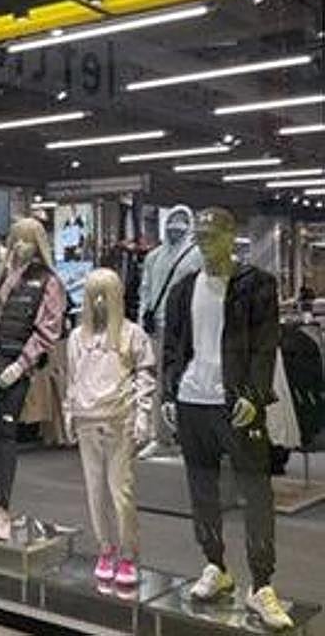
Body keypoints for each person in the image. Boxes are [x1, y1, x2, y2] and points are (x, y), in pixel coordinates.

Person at [162, 207, 291, 630]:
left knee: (256, 493)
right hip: (191, 402)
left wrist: (254, 394)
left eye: (211, 236)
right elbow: (173, 347)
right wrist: (169, 393)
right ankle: (215, 565)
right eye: (199, 236)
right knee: (202, 489)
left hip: (235, 405)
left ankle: (262, 583)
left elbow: (265, 346)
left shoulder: (256, 285)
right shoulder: (183, 289)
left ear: (230, 236)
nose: (203, 243)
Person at [0, 217, 65, 540]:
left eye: (27, 240)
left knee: (6, 434)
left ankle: (4, 505)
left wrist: (21, 365)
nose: (20, 246)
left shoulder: (48, 282)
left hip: (15, 367)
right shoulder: (1, 275)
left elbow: (48, 331)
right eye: (16, 239)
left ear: (38, 244)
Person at [64, 268, 155, 588]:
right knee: (95, 491)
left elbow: (145, 377)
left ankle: (128, 553)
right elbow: (72, 379)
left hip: (120, 418)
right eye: (94, 295)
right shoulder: (77, 338)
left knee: (121, 492)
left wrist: (143, 416)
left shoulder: (132, 334)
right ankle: (105, 547)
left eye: (105, 294)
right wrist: (68, 413)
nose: (100, 301)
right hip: (86, 418)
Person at [137, 205, 201, 455]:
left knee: (187, 380)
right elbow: (145, 290)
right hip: (158, 327)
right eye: (172, 222)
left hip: (188, 328)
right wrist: (143, 321)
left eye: (181, 222)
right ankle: (160, 435)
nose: (175, 227)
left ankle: (189, 435)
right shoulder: (154, 256)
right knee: (158, 382)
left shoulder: (197, 255)